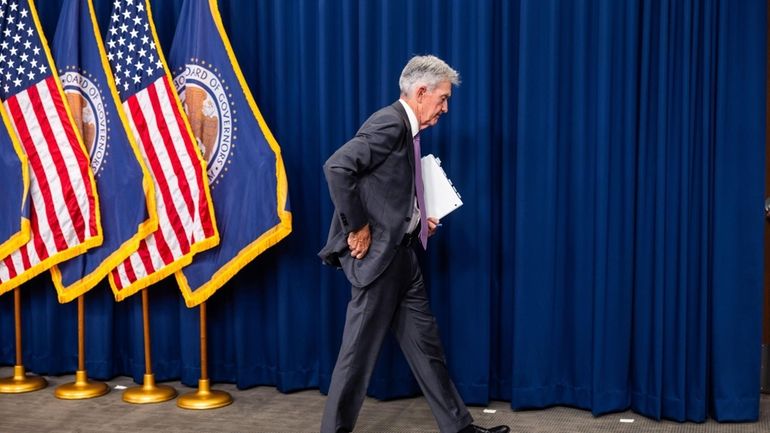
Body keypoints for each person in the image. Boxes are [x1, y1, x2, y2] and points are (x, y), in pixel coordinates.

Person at [319, 55, 510, 433]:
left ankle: (460, 428)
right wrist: (356, 227)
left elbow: (385, 190)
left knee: (427, 350)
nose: (445, 108)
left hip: (403, 258)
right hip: (379, 262)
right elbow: (338, 168)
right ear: (421, 93)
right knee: (356, 357)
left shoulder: (408, 132)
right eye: (442, 98)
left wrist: (419, 219)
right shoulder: (389, 122)